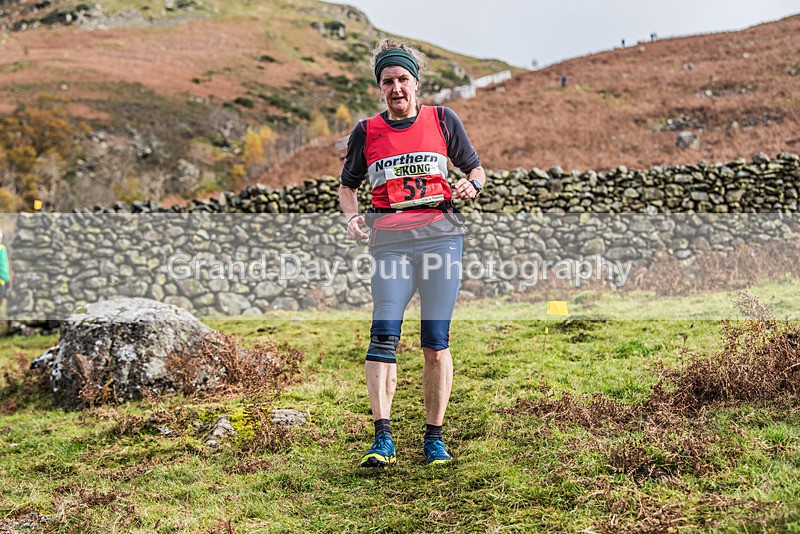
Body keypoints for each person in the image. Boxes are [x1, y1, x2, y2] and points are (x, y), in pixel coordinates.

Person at [338, 38, 486, 467]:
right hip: (391, 244)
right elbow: (348, 186)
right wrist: (351, 218)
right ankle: (382, 438)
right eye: (388, 81)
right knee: (383, 335)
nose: (396, 88)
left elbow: (475, 168)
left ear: (415, 83)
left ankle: (434, 438)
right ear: (380, 87)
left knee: (435, 342)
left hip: (441, 238)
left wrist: (471, 184)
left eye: (403, 79)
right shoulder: (367, 131)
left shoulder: (444, 119)